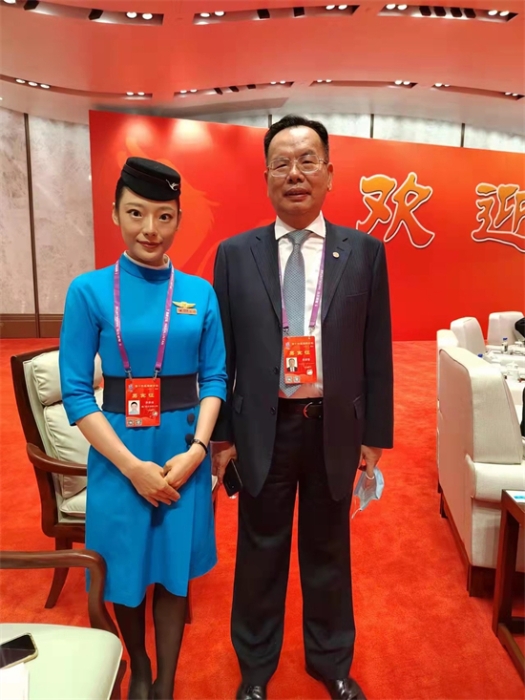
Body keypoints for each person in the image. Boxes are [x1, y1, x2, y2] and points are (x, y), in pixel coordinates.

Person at [212, 115, 394, 700]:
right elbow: (222, 355)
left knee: (328, 550)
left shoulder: (364, 252)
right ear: (266, 176)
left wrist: (375, 435)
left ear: (330, 173)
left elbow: (376, 350)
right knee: (259, 551)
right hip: (262, 427)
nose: (295, 174)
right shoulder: (234, 255)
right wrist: (223, 436)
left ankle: (331, 662)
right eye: (282, 163)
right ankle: (255, 669)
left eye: (308, 160)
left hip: (332, 426)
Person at [59, 157, 227, 700]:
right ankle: (141, 667)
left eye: (164, 216)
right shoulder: (87, 291)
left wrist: (198, 451)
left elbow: (215, 378)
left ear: (178, 219)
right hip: (119, 455)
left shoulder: (200, 292)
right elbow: (76, 392)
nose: (149, 229)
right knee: (125, 569)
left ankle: (167, 681)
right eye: (135, 213)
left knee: (174, 571)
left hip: (181, 453)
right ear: (114, 213)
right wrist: (132, 468)